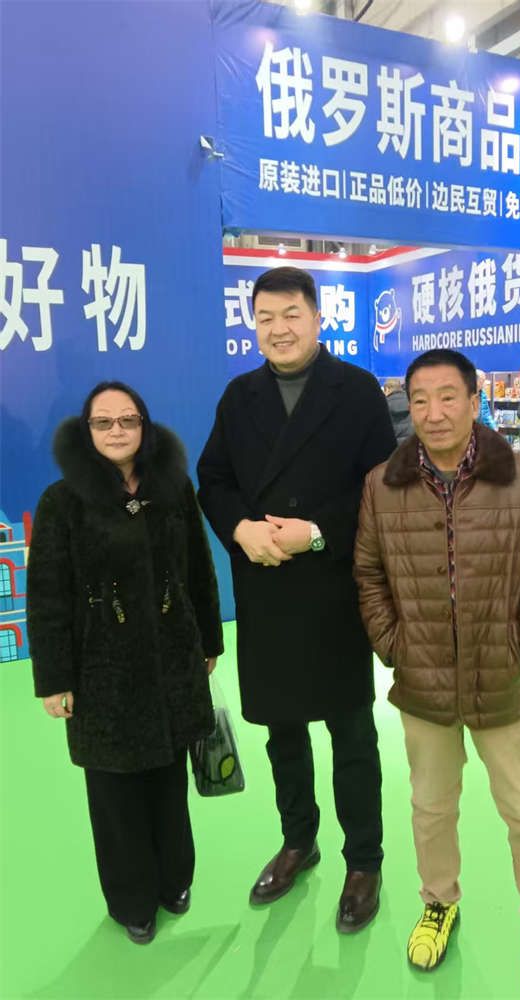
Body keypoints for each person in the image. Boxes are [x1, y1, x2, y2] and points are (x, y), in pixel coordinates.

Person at [354, 349, 520, 996]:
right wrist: (396, 646)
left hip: (503, 678)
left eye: (448, 396)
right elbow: (369, 574)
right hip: (422, 681)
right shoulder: (382, 485)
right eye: (420, 399)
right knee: (430, 808)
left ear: (475, 403)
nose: (434, 412)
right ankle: (439, 903)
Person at [197, 266, 396, 933]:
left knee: (351, 732)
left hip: (333, 586)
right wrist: (240, 529)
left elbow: (382, 488)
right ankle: (297, 841)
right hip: (266, 584)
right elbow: (212, 478)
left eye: (290, 315)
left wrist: (317, 531)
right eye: (265, 318)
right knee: (283, 730)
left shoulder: (357, 391)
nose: (278, 329)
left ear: (317, 317)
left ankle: (363, 860)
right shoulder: (239, 396)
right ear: (252, 324)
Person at [26, 381, 223, 946]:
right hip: (100, 670)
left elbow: (198, 569)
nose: (117, 431)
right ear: (86, 430)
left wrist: (209, 642)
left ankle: (174, 880)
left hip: (171, 657)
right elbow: (47, 595)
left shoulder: (173, 488)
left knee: (168, 778)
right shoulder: (63, 501)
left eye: (128, 420)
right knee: (115, 792)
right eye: (103, 421)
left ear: (145, 426)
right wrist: (54, 679)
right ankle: (131, 900)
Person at [383, 376, 413, 444]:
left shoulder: (384, 405)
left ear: (387, 389)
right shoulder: (410, 401)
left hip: (394, 446)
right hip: (411, 444)